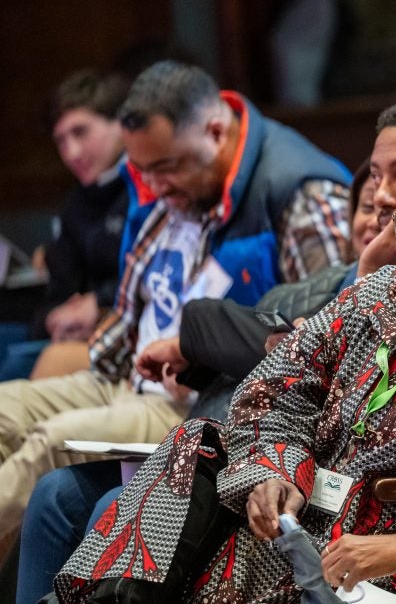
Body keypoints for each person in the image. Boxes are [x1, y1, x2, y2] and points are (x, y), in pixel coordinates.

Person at [56, 72, 396, 601]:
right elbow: (275, 389)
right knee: (191, 444)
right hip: (282, 535)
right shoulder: (378, 295)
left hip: (372, 573)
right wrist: (275, 471)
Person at [14, 96, 396, 604]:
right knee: (57, 491)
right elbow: (214, 325)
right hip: (236, 454)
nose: (379, 200)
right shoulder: (318, 290)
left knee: (107, 497)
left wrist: (358, 288)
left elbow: (294, 366)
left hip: (316, 493)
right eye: (370, 184)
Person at [0, 61, 352, 552]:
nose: (155, 186)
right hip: (126, 377)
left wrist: (197, 353)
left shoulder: (301, 194)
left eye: (165, 167)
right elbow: (130, 312)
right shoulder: (172, 181)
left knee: (47, 444)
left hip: (199, 402)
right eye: (142, 171)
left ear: (215, 132)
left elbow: (326, 339)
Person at [0, 70, 130, 382]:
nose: (71, 152)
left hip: (122, 332)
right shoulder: (76, 204)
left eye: (80, 132)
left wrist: (98, 303)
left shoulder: (150, 190)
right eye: (60, 140)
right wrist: (56, 318)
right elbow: (58, 291)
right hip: (72, 335)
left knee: (16, 367)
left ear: (120, 123)